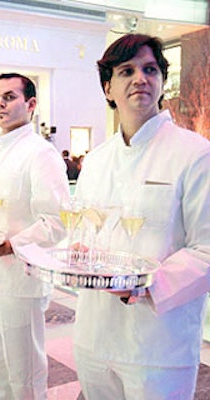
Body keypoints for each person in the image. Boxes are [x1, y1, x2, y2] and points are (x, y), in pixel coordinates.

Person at [73, 33, 210, 400]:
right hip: (94, 335)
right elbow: (85, 235)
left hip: (159, 344)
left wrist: (146, 284)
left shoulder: (195, 154)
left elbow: (207, 250)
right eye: (126, 70)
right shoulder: (97, 160)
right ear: (108, 88)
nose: (140, 78)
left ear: (162, 82)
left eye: (150, 69)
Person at [0, 73, 69, 399]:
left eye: (9, 97)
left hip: (20, 281)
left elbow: (57, 220)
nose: (0, 105)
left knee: (25, 375)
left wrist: (11, 245)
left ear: (31, 104)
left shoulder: (40, 153)